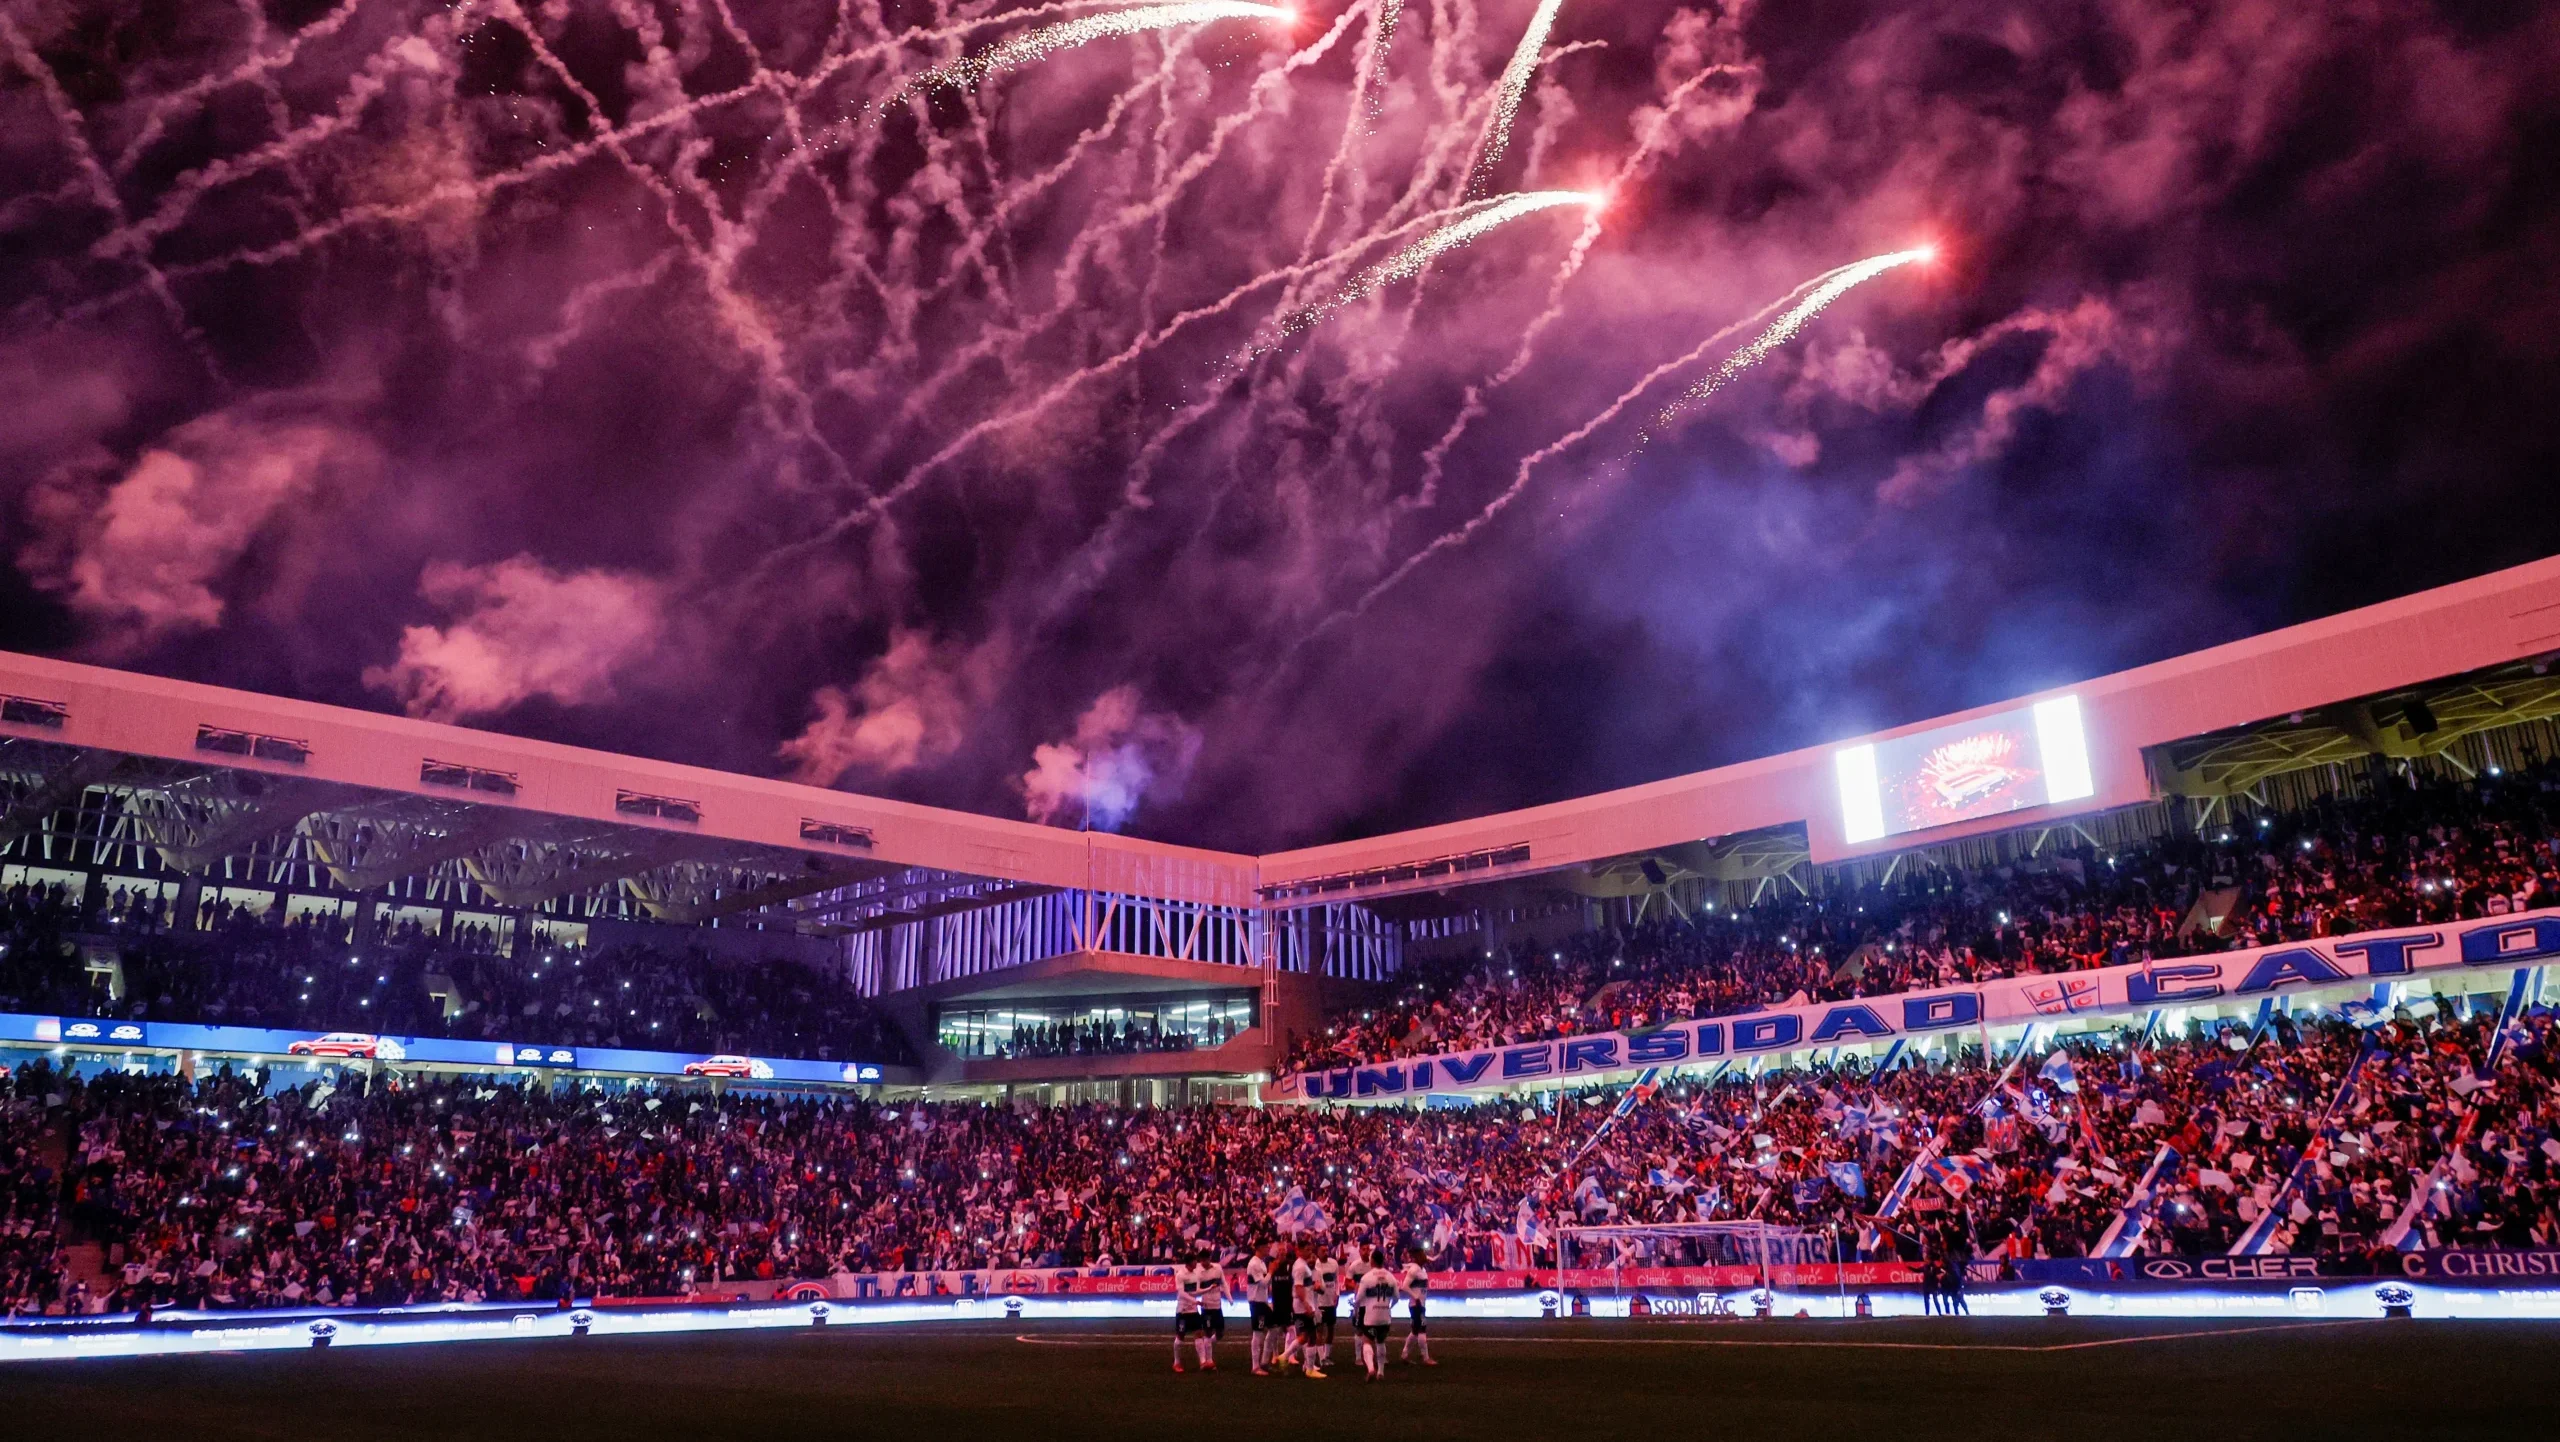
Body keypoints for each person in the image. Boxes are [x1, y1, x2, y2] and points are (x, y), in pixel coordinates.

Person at [1354, 1253, 1398, 1379]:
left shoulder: (1367, 1277)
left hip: (1371, 1315)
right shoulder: (1391, 1277)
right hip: (1385, 1315)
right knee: (1381, 1341)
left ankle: (1371, 1369)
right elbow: (1397, 1297)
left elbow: (1359, 1297)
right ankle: (1381, 1372)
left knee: (1367, 1341)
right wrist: (1389, 1306)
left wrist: (1355, 1309)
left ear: (1372, 1261)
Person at [1288, 1241, 1323, 1378]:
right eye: (1307, 1249)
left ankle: (1287, 1358)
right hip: (1303, 1306)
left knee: (1305, 1336)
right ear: (1299, 1250)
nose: (1310, 1252)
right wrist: (1307, 1304)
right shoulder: (1300, 1267)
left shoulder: (1301, 1265)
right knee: (1310, 1336)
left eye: (1310, 1249)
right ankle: (1309, 1368)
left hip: (1303, 1304)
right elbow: (1298, 1288)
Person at [1309, 1243, 1343, 1377]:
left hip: (1331, 1301)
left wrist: (1337, 1294)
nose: (1326, 1252)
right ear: (1318, 1252)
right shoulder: (1315, 1266)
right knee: (1319, 1330)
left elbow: (1336, 1281)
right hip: (1320, 1303)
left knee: (1331, 1328)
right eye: (1323, 1250)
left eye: (1327, 1250)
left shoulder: (1334, 1264)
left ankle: (1327, 1355)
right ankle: (1321, 1357)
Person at [1172, 1249, 1207, 1372]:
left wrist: (1208, 1289)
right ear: (1189, 1263)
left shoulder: (1195, 1274)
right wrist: (1194, 1301)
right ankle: (1177, 1363)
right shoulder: (1181, 1275)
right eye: (1194, 1261)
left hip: (1193, 1310)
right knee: (1181, 1336)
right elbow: (1181, 1293)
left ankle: (1203, 1362)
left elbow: (1194, 1292)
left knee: (1199, 1333)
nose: (1196, 1263)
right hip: (1183, 1311)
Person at [1400, 1247, 1436, 1366]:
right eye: (1422, 1254)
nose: (1424, 1256)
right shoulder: (1414, 1270)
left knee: (1415, 1330)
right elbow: (1404, 1286)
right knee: (1422, 1330)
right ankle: (1425, 1358)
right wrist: (1415, 1297)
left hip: (1420, 1304)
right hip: (1417, 1305)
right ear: (1417, 1257)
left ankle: (1404, 1354)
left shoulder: (1422, 1269)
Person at [1246, 1242, 1278, 1375]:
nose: (1269, 1249)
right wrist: (1271, 1271)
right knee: (1258, 1333)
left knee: (1275, 1329)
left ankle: (1264, 1361)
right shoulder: (1254, 1264)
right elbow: (1263, 1283)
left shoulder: (1261, 1262)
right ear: (1259, 1248)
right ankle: (1255, 1366)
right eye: (1266, 1247)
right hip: (1256, 1302)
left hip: (1263, 1302)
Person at [1196, 1249, 1227, 1369]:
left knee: (1220, 1333)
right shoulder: (1199, 1273)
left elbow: (1223, 1283)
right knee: (1208, 1332)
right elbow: (1197, 1290)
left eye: (1205, 1259)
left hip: (1217, 1306)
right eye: (1201, 1260)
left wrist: (1229, 1298)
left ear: (1209, 1259)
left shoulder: (1217, 1268)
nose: (1203, 1262)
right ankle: (1209, 1360)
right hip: (1206, 1307)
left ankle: (1206, 1345)